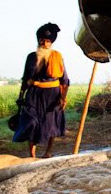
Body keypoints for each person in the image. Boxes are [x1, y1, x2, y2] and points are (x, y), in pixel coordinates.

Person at [13, 23, 69, 158]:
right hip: (33, 95)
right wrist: (21, 96)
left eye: (48, 41)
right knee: (31, 122)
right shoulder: (31, 57)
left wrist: (62, 97)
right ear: (38, 40)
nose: (44, 43)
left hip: (52, 95)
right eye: (42, 40)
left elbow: (65, 80)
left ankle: (48, 152)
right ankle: (31, 155)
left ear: (51, 43)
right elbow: (25, 78)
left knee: (51, 124)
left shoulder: (57, 57)